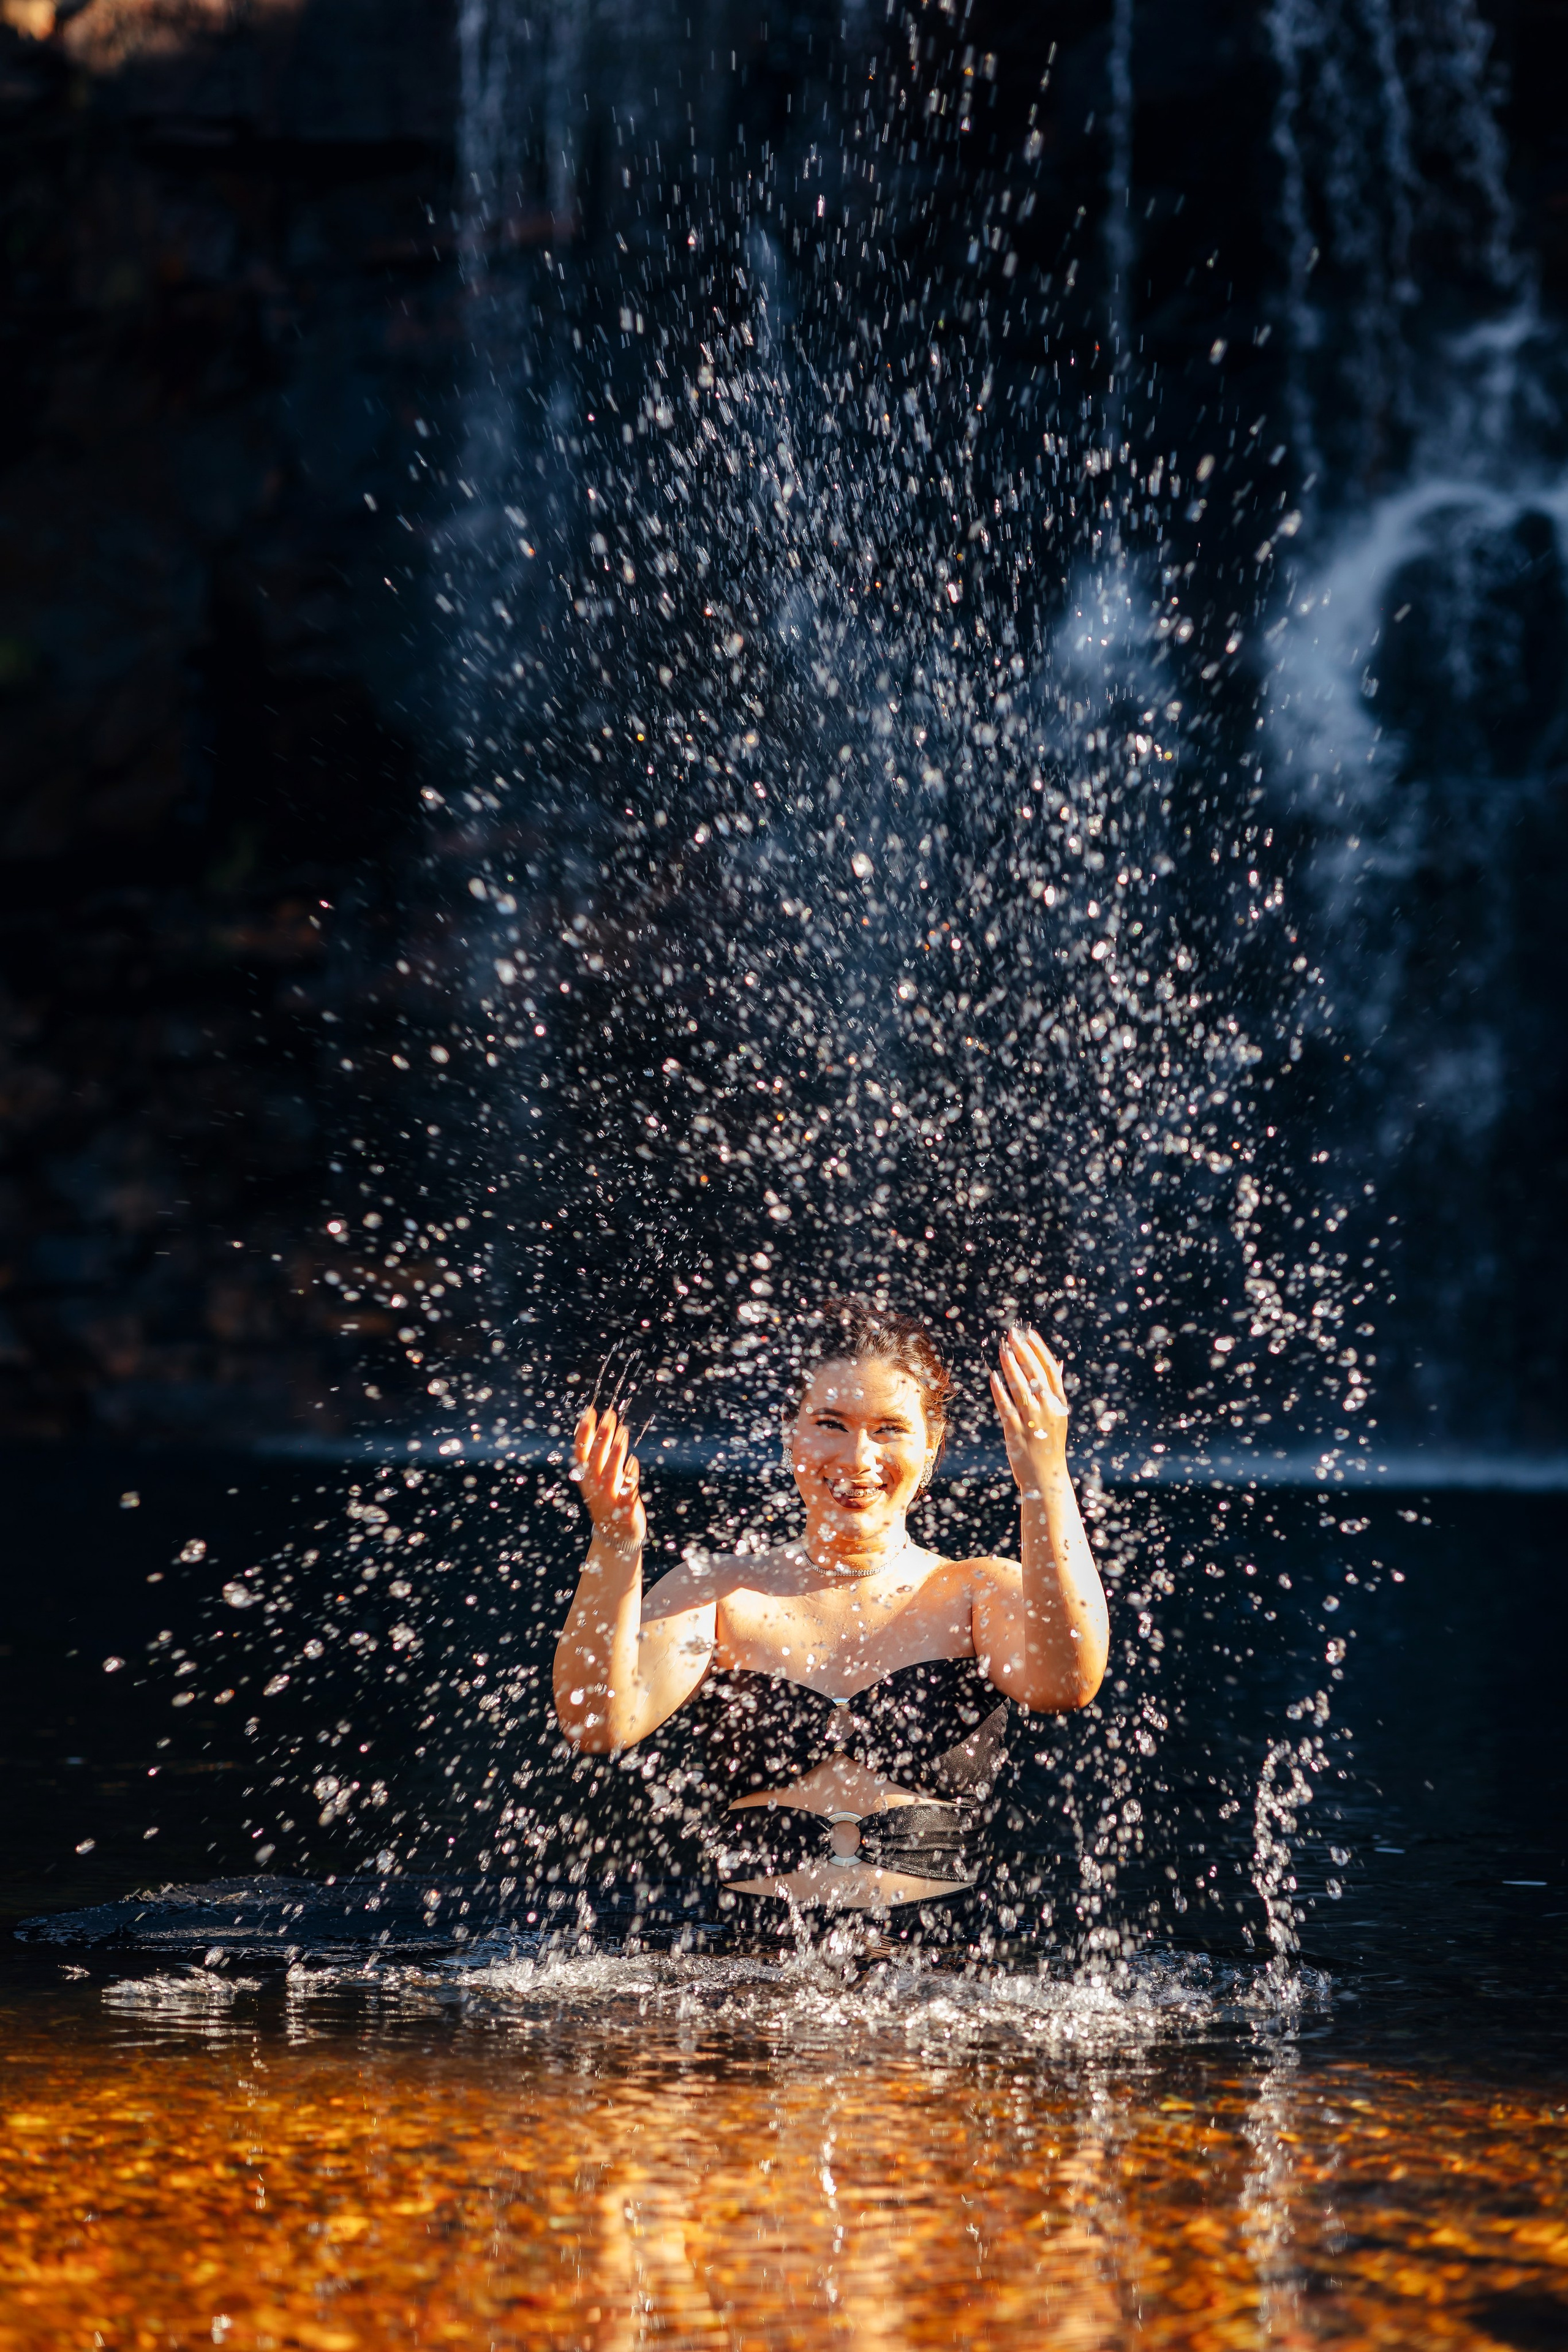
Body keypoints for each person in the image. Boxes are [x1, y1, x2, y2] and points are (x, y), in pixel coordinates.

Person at [552, 1297, 1108, 1929]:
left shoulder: (977, 1590)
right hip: (755, 1976)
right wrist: (617, 1546)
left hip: (938, 1979)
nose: (858, 1459)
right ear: (790, 1432)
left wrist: (1046, 1479)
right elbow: (597, 1721)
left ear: (932, 1449)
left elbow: (1067, 1680)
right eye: (831, 1423)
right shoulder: (717, 1593)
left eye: (890, 1429)